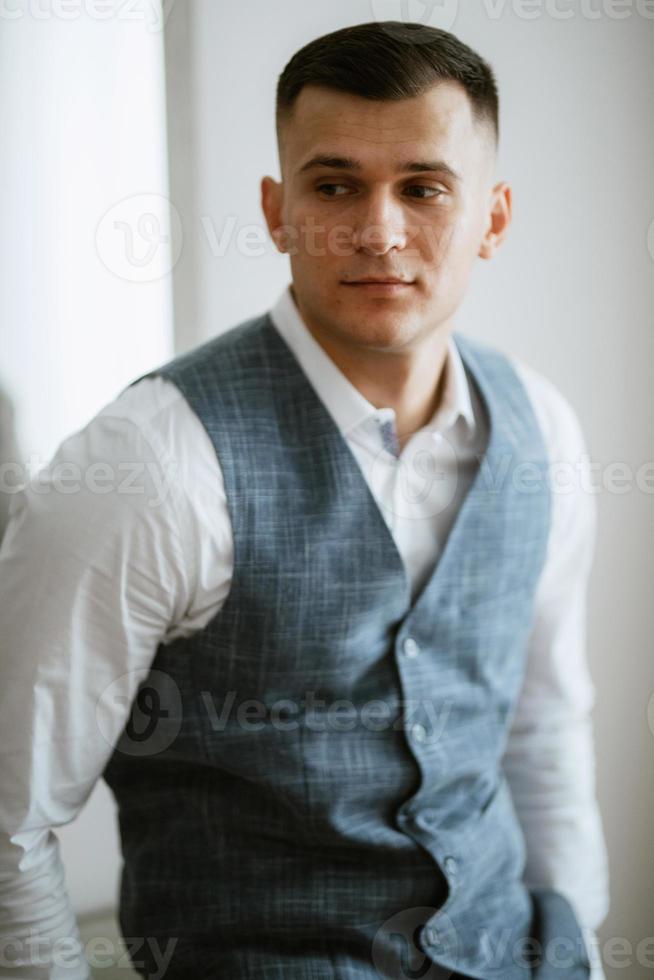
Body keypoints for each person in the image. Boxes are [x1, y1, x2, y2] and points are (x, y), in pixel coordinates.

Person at [0, 20, 609, 980]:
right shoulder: (149, 463)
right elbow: (11, 819)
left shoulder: (546, 431)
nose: (379, 230)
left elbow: (544, 723)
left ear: (491, 218)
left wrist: (579, 951)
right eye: (335, 187)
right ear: (278, 211)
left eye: (424, 188)